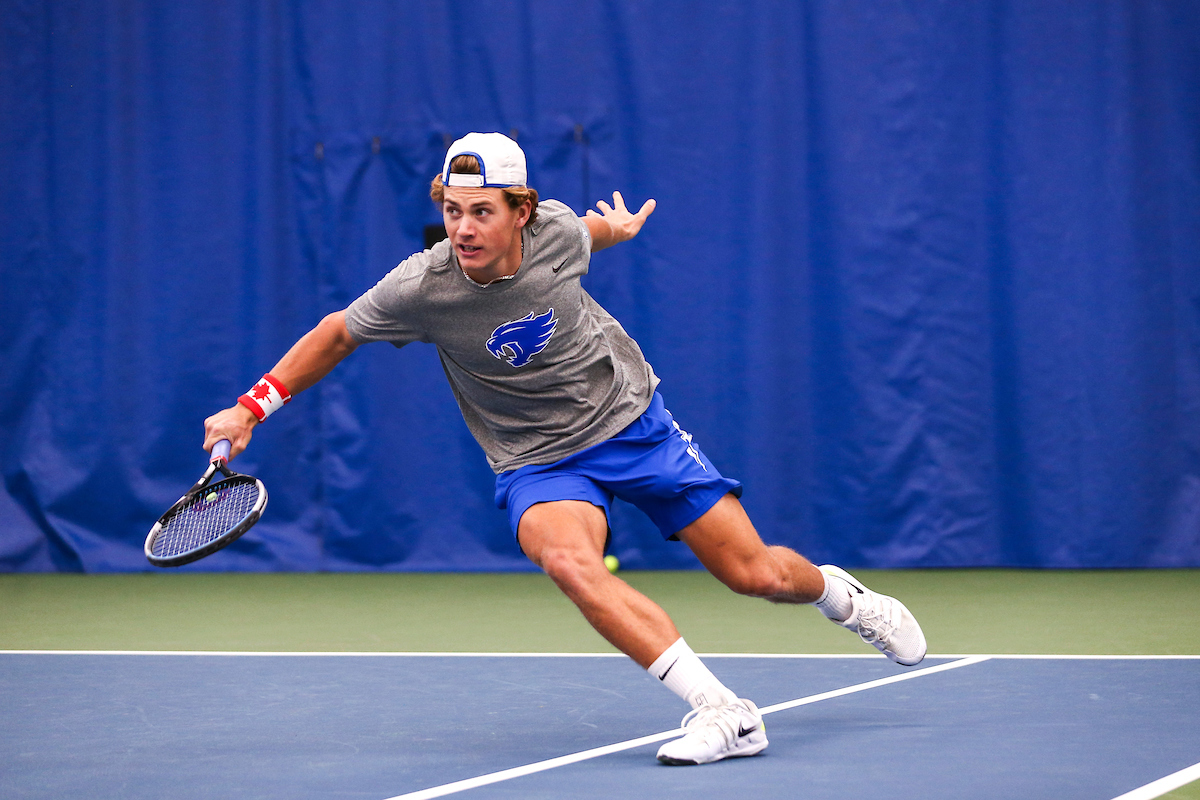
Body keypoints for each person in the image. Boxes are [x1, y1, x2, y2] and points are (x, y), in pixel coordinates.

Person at [203, 132, 927, 766]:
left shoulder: (553, 232)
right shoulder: (422, 286)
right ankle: (722, 711)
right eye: (452, 210)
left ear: (521, 211)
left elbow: (584, 234)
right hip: (535, 457)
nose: (463, 228)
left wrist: (613, 228)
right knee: (571, 564)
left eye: (481, 210)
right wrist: (250, 407)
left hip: (631, 421)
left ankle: (843, 597)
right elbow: (336, 334)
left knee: (756, 574)